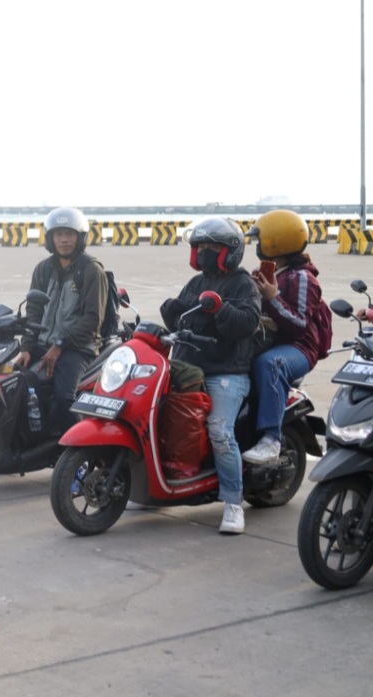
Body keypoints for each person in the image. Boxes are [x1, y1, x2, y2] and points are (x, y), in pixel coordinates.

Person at [160, 218, 261, 535]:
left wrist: (220, 310)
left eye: (210, 247)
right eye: (199, 247)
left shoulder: (244, 285)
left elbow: (247, 323)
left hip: (226, 371)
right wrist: (170, 312)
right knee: (155, 415)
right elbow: (181, 321)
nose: (203, 252)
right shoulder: (196, 284)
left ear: (229, 252)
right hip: (189, 367)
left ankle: (233, 502)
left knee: (219, 429)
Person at [240, 210, 325, 465]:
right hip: (269, 342)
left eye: (260, 241)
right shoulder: (271, 272)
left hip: (299, 347)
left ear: (276, 241)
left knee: (269, 364)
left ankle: (271, 439)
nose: (257, 248)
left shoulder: (302, 278)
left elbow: (299, 324)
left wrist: (272, 297)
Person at [17, 207, 108, 436]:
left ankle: (80, 455)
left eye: (70, 234)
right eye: (59, 234)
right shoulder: (43, 269)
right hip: (45, 343)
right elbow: (34, 311)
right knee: (16, 381)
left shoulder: (91, 270)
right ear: (50, 238)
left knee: (64, 396)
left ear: (80, 237)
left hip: (79, 347)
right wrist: (27, 347)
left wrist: (60, 344)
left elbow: (92, 319)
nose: (64, 240)